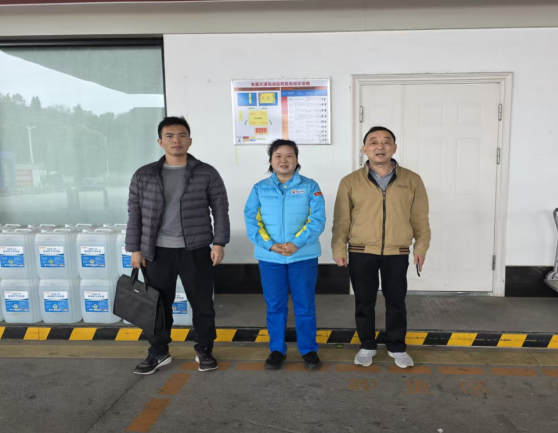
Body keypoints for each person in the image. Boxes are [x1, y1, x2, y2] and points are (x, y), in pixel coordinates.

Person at [126, 116, 230, 375]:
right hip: (157, 251)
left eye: (182, 135)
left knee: (202, 304)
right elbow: (134, 213)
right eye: (170, 136)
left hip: (196, 249)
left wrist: (219, 243)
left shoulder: (206, 172)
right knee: (158, 305)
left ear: (190, 141)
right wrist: (135, 249)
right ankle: (158, 351)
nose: (176, 140)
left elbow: (220, 208)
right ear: (160, 142)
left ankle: (204, 348)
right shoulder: (144, 174)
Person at [332, 126, 431, 368]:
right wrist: (338, 248)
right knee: (364, 302)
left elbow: (420, 218)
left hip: (396, 252)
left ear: (394, 148)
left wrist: (421, 246)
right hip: (361, 251)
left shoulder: (412, 180)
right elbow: (342, 219)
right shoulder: (350, 182)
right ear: (364, 149)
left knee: (396, 302)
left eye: (386, 142)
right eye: (373, 142)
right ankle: (367, 345)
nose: (380, 146)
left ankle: (396, 347)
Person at [244, 139, 326, 370]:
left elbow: (317, 219)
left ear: (297, 160)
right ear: (271, 160)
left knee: (305, 306)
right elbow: (252, 220)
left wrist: (296, 243)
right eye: (278, 156)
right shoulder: (259, 188)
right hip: (270, 258)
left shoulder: (310, 186)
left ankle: (308, 350)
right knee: (275, 306)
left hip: (303, 256)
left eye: (289, 155)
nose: (283, 160)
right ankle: (277, 349)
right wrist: (270, 245)